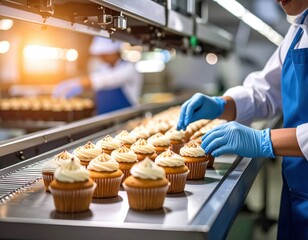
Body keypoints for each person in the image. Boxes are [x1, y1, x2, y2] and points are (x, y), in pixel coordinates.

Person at [177, 1, 308, 239]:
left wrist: (262, 140)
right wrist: (221, 105)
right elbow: (266, 92)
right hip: (298, 187)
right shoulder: (298, 31)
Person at [53, 37, 143, 114]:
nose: (102, 58)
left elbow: (105, 80)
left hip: (125, 117)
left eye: (105, 55)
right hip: (102, 117)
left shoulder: (129, 69)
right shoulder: (102, 67)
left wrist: (74, 83)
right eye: (100, 56)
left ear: (114, 52)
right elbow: (93, 82)